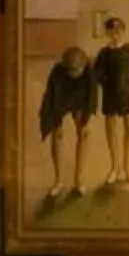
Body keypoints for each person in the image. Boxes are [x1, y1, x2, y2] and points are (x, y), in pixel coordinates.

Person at [89, 13, 129, 190]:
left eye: (118, 30)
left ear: (123, 31)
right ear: (107, 33)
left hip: (128, 97)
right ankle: (115, 167)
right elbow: (96, 73)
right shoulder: (104, 53)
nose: (115, 34)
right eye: (112, 31)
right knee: (111, 132)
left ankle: (127, 166)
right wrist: (104, 81)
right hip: (110, 97)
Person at [36, 42, 97, 203]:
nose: (73, 74)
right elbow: (53, 98)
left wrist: (86, 122)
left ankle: (79, 180)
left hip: (80, 102)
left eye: (77, 70)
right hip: (60, 101)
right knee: (57, 136)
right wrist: (58, 123)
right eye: (70, 70)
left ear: (84, 65)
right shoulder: (57, 72)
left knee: (85, 135)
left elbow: (91, 98)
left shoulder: (90, 72)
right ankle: (58, 181)